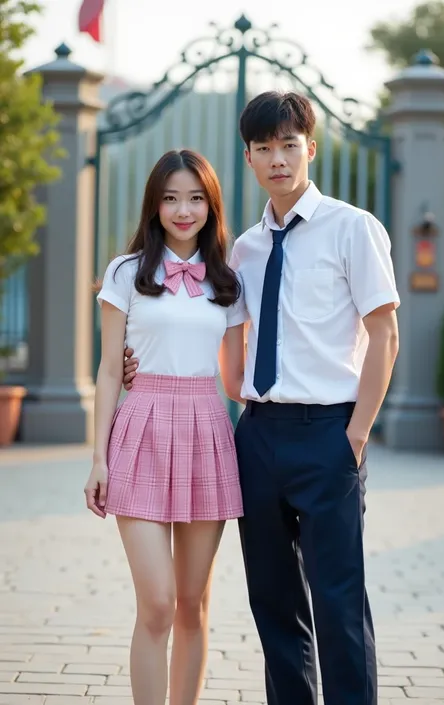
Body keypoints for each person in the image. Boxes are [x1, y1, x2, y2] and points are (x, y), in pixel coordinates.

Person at [123, 91, 400, 705]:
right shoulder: (243, 250)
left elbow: (385, 334)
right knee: (273, 604)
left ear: (311, 148)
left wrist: (355, 434)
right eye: (264, 148)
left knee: (337, 602)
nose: (278, 159)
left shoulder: (353, 229)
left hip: (331, 432)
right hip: (258, 437)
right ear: (248, 158)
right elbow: (225, 342)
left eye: (289, 145)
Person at [84, 149, 248, 705]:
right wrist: (98, 458)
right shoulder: (126, 272)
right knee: (156, 602)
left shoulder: (227, 281)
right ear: (154, 205)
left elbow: (236, 380)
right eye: (171, 197)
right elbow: (109, 370)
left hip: (206, 431)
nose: (183, 210)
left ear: (211, 205)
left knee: (191, 603)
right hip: (142, 428)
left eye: (195, 198)